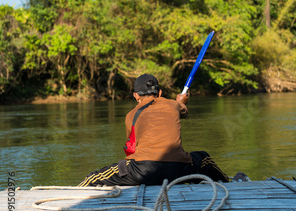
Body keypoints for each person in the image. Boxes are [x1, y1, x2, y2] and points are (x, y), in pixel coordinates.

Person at [78, 74, 229, 187]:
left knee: (94, 178)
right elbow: (183, 111)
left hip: (144, 172)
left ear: (136, 96)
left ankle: (77, 191)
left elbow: (131, 150)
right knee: (204, 158)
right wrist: (181, 102)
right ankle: (228, 182)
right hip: (179, 171)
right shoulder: (173, 105)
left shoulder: (131, 115)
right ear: (160, 93)